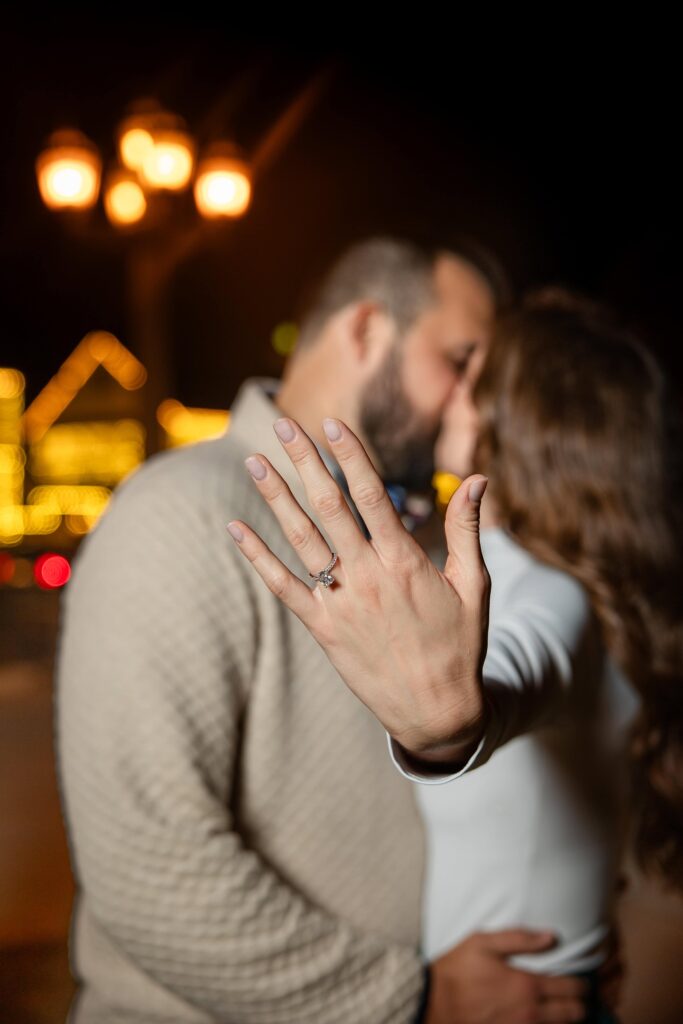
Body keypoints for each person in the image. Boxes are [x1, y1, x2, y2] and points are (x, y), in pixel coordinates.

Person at [56, 237, 591, 1024]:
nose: (475, 397)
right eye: (458, 359)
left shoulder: (432, 543)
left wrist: (571, 939)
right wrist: (414, 997)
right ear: (366, 329)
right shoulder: (176, 511)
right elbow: (149, 866)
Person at [229, 289, 683, 1022]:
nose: (451, 390)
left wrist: (448, 725)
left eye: (473, 371)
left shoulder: (547, 586)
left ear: (518, 417)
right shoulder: (587, 578)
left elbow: (523, 665)